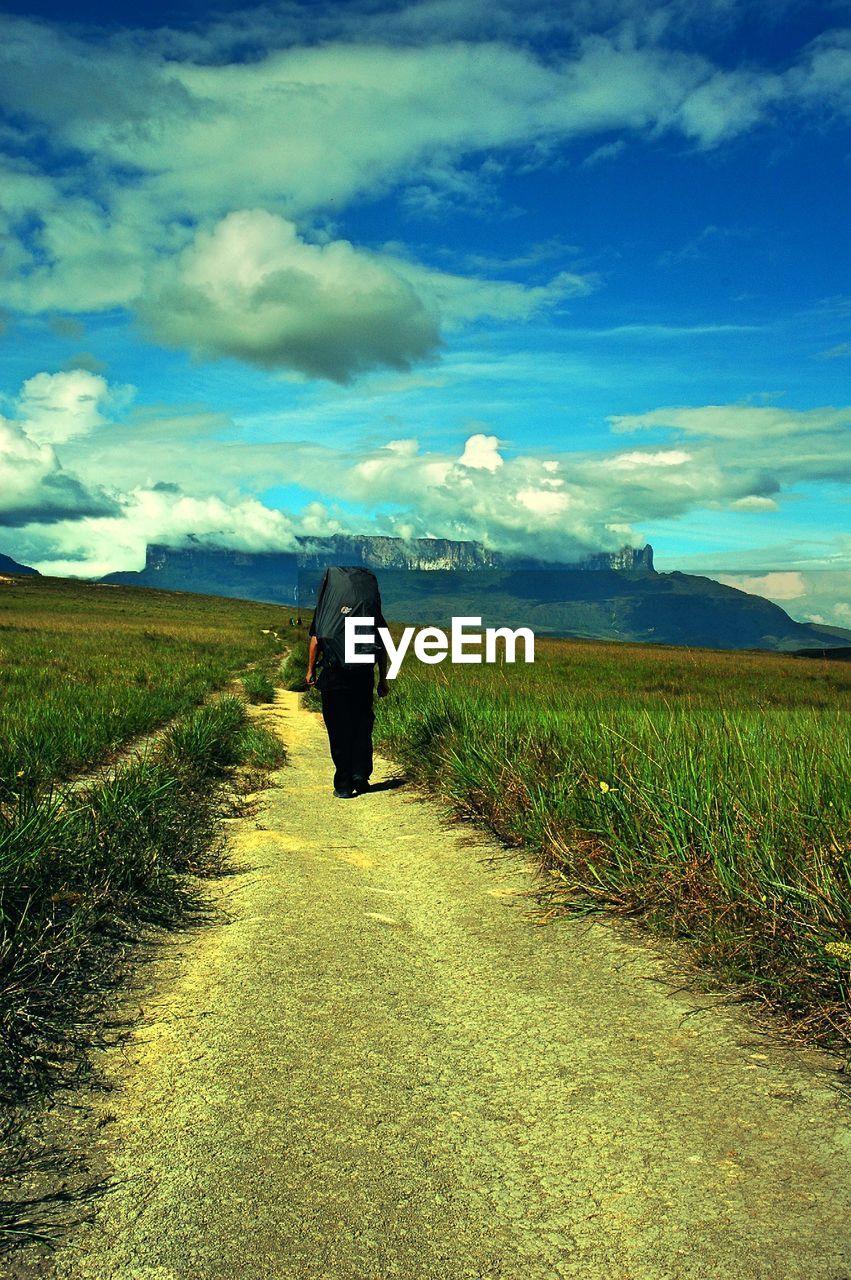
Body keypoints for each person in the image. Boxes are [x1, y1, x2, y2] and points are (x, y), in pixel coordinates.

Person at [306, 576, 389, 799]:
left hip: (334, 676)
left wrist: (310, 670)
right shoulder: (370, 610)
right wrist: (383, 679)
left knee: (338, 728)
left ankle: (343, 783)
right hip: (363, 676)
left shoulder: (326, 610)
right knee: (362, 725)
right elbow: (382, 647)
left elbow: (315, 641)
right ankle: (360, 775)